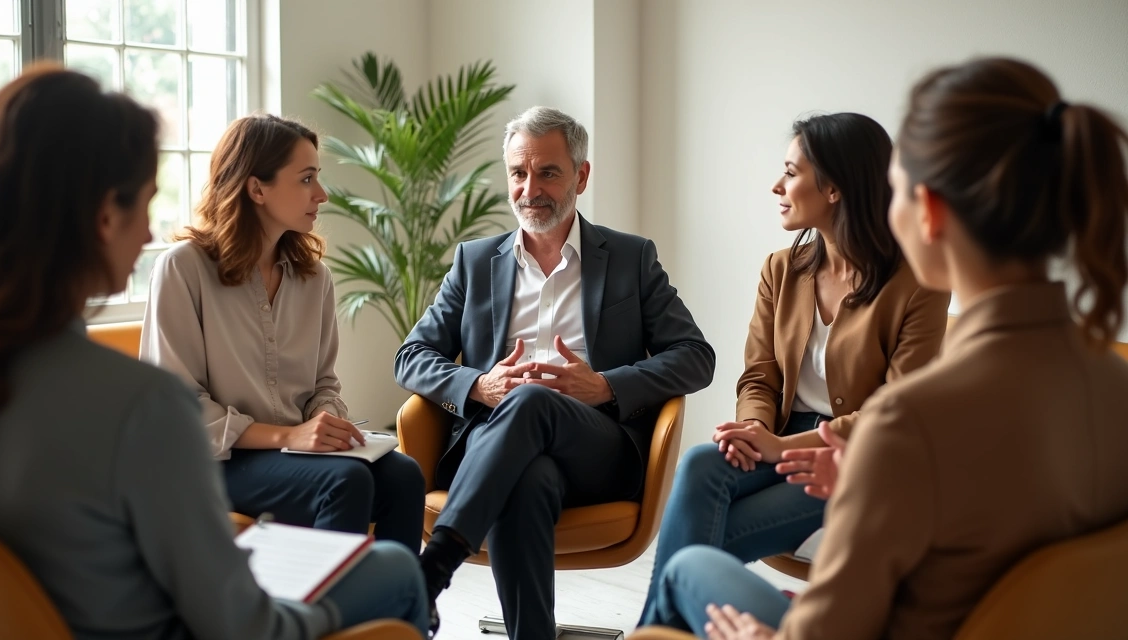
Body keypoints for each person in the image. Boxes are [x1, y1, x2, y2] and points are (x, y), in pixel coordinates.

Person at [0, 66, 428, 639]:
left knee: (398, 479)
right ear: (106, 215)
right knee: (396, 572)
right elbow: (241, 622)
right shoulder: (143, 405)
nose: (150, 231)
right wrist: (327, 616)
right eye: (147, 203)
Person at [642, 56, 1128, 640]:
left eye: (896, 187)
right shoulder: (1114, 384)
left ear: (928, 211)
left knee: (689, 565)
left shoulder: (909, 421)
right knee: (699, 518)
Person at [395, 106, 716, 637]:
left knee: (534, 400)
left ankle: (433, 572)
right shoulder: (474, 262)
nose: (529, 188)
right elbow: (411, 356)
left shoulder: (631, 259)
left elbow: (694, 355)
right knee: (530, 479)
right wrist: (479, 385)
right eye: (518, 173)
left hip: (597, 448)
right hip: (494, 448)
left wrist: (606, 385)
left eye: (548, 172)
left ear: (581, 176)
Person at [638, 112, 950, 625]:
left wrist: (781, 447)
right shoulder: (781, 269)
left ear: (834, 188)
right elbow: (759, 375)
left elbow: (895, 412)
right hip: (779, 438)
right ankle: (662, 633)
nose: (776, 185)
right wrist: (755, 429)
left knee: (695, 545)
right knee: (700, 463)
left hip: (858, 464)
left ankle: (654, 634)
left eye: (790, 172)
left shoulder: (919, 283)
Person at [141, 113, 425, 554]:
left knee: (405, 476)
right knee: (345, 482)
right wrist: (288, 437)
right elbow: (178, 409)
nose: (322, 194)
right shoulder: (184, 268)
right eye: (306, 179)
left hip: (296, 456)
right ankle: (320, 621)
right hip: (215, 461)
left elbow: (323, 384)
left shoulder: (315, 280)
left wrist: (325, 421)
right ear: (257, 189)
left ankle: (402, 618)